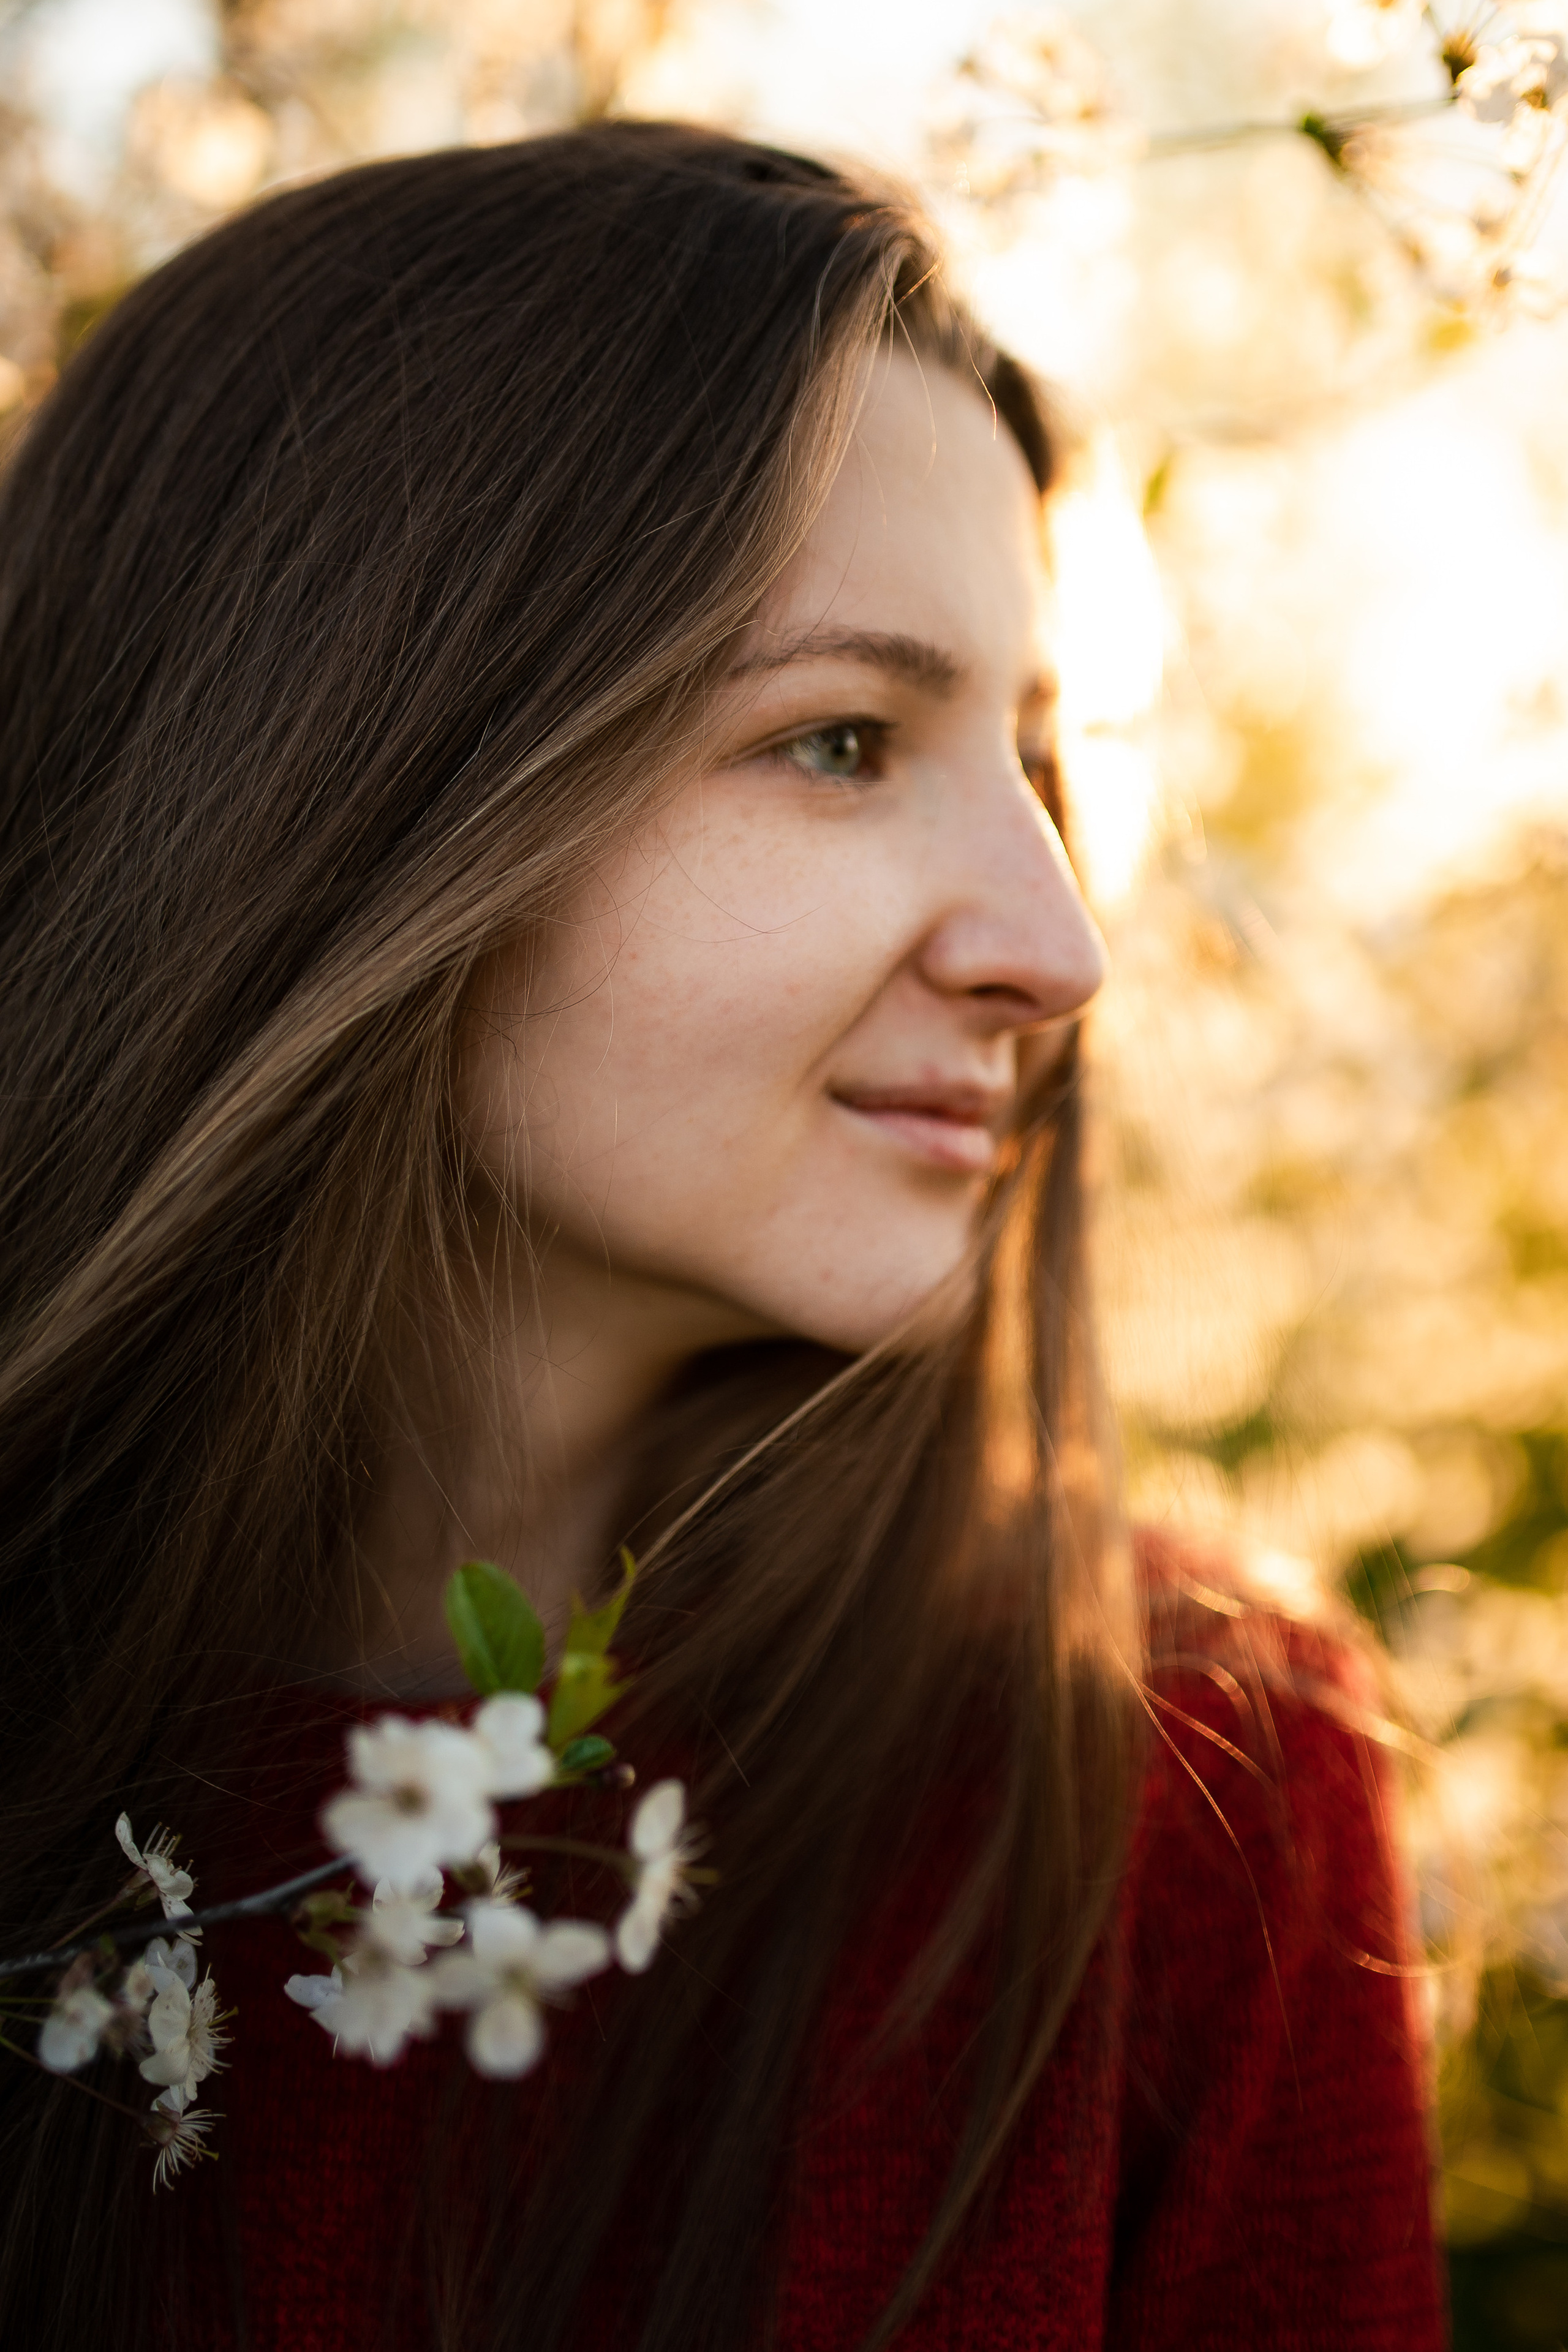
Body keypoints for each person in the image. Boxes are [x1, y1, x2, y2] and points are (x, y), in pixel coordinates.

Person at [0, 124, 1442, 2351]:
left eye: (1042, 767)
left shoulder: (1172, 1807)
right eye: (844, 739)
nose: (1059, 948)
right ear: (343, 781)